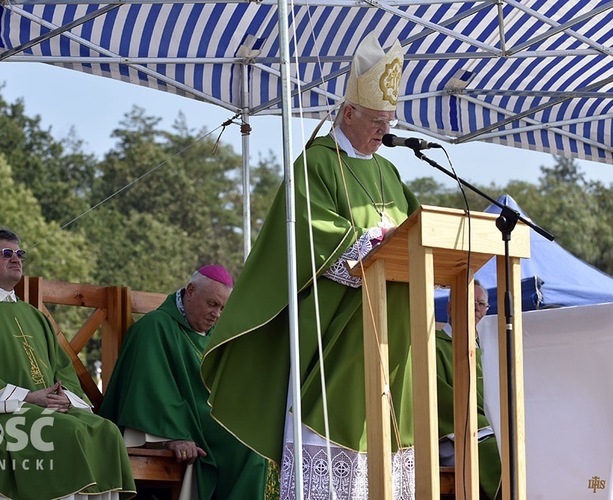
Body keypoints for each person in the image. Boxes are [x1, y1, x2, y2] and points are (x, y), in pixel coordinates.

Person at [200, 33, 420, 499]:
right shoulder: (316, 165)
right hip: (339, 337)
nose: (385, 131)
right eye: (377, 121)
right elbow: (309, 237)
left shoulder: (391, 172)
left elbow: (414, 233)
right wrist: (373, 243)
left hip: (392, 335)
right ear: (348, 113)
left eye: (390, 121)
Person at [0, 228, 135, 500]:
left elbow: (61, 367)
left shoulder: (32, 314)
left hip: (43, 410)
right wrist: (27, 397)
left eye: (20, 253)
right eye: (7, 253)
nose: (16, 258)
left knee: (106, 431)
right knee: (64, 432)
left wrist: (66, 398)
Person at [99, 266, 268, 500]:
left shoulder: (217, 336)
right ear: (190, 291)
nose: (216, 314)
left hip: (212, 421)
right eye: (211, 304)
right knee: (250, 450)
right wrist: (171, 437)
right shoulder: (155, 327)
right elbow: (148, 392)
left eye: (222, 308)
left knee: (266, 441)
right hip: (184, 427)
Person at [436, 280, 501, 499]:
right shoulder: (433, 346)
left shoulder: (490, 350)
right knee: (503, 456)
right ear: (450, 307)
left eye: (481, 304)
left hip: (493, 431)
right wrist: (490, 426)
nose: (476, 308)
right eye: (469, 301)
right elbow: (439, 400)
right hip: (459, 439)